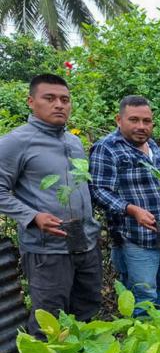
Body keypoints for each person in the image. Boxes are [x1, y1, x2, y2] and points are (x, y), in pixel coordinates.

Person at [0, 74, 102, 337]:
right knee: (50, 320)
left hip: (85, 242)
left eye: (65, 99)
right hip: (48, 250)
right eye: (50, 98)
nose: (59, 105)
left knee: (87, 310)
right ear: (31, 102)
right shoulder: (16, 142)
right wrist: (32, 217)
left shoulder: (74, 141)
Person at [89, 96, 160, 315]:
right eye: (134, 120)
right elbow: (98, 190)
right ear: (119, 120)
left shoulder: (151, 145)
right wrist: (131, 210)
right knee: (142, 294)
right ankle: (142, 340)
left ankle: (159, 336)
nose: (141, 126)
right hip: (134, 237)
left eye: (146, 121)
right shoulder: (107, 148)